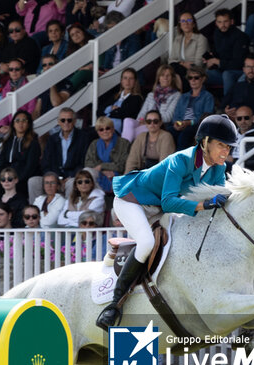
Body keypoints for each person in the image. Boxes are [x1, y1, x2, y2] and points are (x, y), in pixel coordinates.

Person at [98, 114, 235, 330]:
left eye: (229, 148)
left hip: (158, 208)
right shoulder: (180, 160)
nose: (226, 152)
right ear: (205, 142)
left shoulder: (219, 169)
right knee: (146, 243)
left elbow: (220, 201)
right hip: (133, 201)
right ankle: (114, 305)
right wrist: (204, 205)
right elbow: (170, 201)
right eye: (221, 146)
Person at [204, 9, 251, 95]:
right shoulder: (217, 33)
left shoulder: (241, 37)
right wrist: (210, 59)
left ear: (231, 21)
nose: (222, 25)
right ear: (216, 23)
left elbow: (238, 63)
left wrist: (217, 61)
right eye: (220, 22)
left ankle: (228, 105)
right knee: (200, 75)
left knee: (227, 74)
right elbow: (216, 53)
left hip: (239, 72)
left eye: (225, 21)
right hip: (221, 71)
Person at [171, 68, 216, 149]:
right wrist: (176, 123)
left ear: (203, 79)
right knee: (167, 133)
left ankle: (180, 160)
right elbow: (176, 114)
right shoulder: (183, 96)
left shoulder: (207, 96)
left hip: (196, 125)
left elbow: (206, 117)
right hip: (182, 124)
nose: (193, 80)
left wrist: (189, 122)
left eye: (196, 78)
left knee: (184, 135)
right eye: (190, 78)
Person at [85, 116, 131, 193]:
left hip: (118, 175)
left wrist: (102, 166)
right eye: (101, 129)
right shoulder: (94, 143)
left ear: (113, 129)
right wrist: (103, 171)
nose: (105, 131)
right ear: (98, 132)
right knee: (86, 172)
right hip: (99, 174)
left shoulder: (124, 143)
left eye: (107, 128)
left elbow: (123, 165)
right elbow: (88, 163)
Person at [166, 11, 209, 83]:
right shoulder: (178, 39)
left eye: (189, 20)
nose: (186, 23)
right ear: (180, 25)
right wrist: (182, 64)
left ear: (194, 24)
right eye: (183, 21)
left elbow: (198, 64)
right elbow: (171, 60)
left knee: (174, 73)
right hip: (179, 70)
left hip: (196, 73)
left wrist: (180, 64)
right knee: (170, 70)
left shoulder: (201, 39)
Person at [101, 68, 143, 139]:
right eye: (125, 78)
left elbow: (126, 113)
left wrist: (108, 112)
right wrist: (111, 108)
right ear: (121, 81)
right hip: (103, 125)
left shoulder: (136, 98)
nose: (127, 81)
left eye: (131, 78)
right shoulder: (115, 96)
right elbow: (99, 111)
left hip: (115, 129)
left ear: (135, 81)